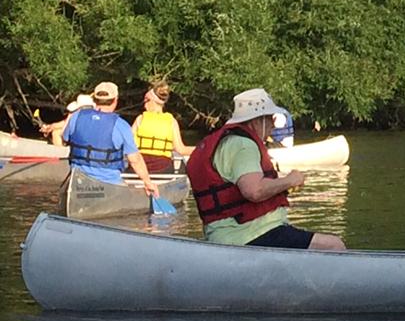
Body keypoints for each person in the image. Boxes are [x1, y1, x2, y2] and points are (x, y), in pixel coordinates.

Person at [186, 88, 345, 250]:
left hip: (230, 235)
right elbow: (254, 191)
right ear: (256, 120)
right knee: (333, 246)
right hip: (250, 235)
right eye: (270, 118)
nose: (274, 125)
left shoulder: (227, 142)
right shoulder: (243, 145)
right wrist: (289, 181)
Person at [59, 82, 159, 197]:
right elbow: (135, 160)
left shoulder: (76, 116)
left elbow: (64, 138)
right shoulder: (121, 125)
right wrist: (148, 183)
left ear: (95, 99)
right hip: (109, 183)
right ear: (115, 100)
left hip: (77, 180)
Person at [131, 82, 193, 174]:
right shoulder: (171, 121)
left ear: (150, 100)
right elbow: (181, 149)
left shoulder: (140, 119)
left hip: (140, 167)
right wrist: (202, 148)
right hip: (163, 167)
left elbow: (128, 146)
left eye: (145, 101)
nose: (144, 105)